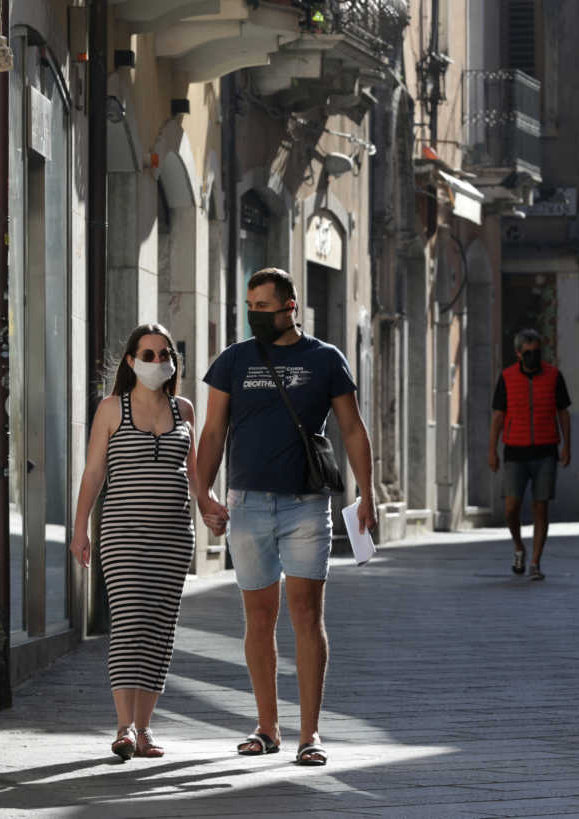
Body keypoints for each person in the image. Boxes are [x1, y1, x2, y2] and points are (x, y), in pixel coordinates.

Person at [196, 268, 377, 767]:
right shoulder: (234, 360)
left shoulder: (325, 359)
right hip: (247, 503)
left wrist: (368, 492)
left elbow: (353, 429)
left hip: (305, 505)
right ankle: (267, 727)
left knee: (306, 616)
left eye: (264, 307)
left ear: (290, 307)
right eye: (250, 307)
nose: (256, 315)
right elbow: (212, 434)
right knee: (258, 619)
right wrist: (203, 493)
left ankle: (311, 735)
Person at [69, 323, 227, 760]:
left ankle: (145, 729)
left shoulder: (185, 411)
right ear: (131, 360)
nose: (158, 362)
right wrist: (80, 528)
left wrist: (209, 508)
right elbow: (93, 473)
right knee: (129, 624)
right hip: (123, 535)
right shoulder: (110, 410)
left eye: (165, 355)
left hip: (174, 538)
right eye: (149, 354)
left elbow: (194, 475)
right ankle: (122, 727)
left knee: (159, 630)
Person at [488, 329, 572, 581]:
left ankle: (535, 562)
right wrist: (492, 450)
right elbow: (498, 416)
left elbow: (563, 413)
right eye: (528, 353)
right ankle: (518, 547)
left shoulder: (554, 377)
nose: (533, 357)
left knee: (540, 507)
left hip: (546, 450)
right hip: (515, 450)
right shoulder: (506, 378)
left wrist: (567, 445)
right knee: (511, 508)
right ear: (518, 354)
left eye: (537, 352)